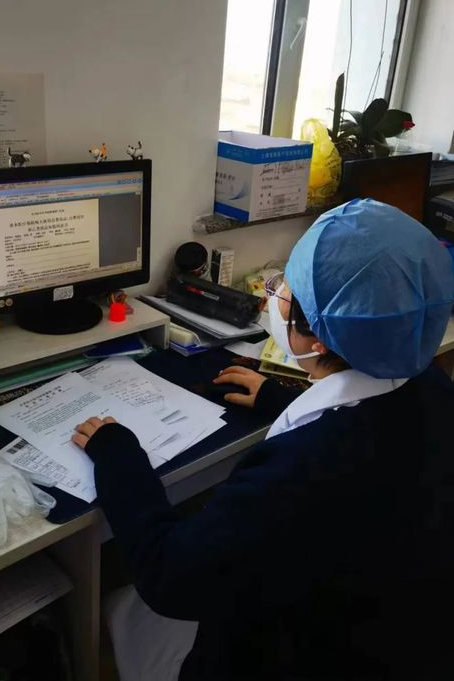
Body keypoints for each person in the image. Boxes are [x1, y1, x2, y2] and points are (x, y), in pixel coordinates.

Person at [72, 199, 454, 681]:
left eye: (285, 288)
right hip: (398, 633)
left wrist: (118, 455)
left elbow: (170, 578)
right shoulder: (433, 386)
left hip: (295, 653)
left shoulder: (301, 474)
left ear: (316, 338)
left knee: (120, 604)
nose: (275, 296)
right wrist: (278, 397)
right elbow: (371, 425)